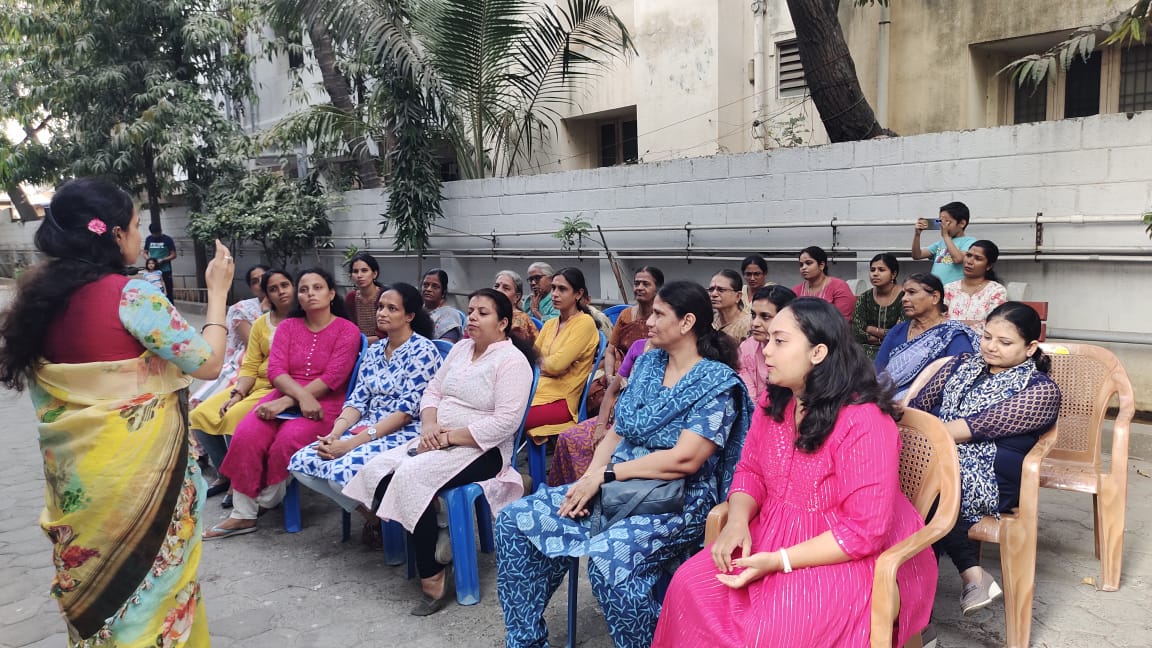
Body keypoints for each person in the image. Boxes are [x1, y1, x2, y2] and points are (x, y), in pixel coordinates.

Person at [0, 178, 235, 645]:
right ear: (113, 234)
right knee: (155, 594)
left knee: (100, 594)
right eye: (134, 225)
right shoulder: (132, 297)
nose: (138, 236)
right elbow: (208, 363)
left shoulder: (38, 300)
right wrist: (217, 293)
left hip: (79, 485)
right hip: (141, 483)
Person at [652, 298, 937, 648]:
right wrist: (737, 522)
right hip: (770, 532)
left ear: (818, 353)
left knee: (766, 634)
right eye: (768, 339)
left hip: (842, 553)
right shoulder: (776, 400)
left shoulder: (864, 421)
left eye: (780, 341)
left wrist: (779, 561)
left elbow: (864, 531)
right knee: (687, 586)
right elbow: (751, 470)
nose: (766, 350)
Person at [497, 281, 752, 648]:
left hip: (676, 500)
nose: (649, 322)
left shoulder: (717, 383)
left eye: (659, 314)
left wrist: (606, 475)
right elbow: (618, 432)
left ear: (687, 322)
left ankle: (649, 641)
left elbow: (685, 459)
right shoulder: (648, 364)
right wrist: (588, 479)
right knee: (515, 521)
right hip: (615, 486)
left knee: (609, 560)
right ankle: (525, 640)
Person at [342, 288, 536, 616]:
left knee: (411, 476)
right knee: (379, 471)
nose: (472, 317)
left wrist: (449, 438)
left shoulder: (512, 361)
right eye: (470, 311)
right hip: (437, 438)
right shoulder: (460, 348)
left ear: (503, 323)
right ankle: (440, 533)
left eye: (483, 313)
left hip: (482, 448)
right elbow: (432, 391)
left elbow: (505, 422)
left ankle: (432, 571)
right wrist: (430, 425)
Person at [908, 302, 1061, 615]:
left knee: (926, 491)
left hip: (993, 475)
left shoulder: (1040, 390)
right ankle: (967, 580)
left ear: (1030, 347)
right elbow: (918, 409)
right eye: (987, 337)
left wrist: (924, 439)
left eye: (1004, 342)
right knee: (914, 487)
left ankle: (916, 614)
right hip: (939, 457)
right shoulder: (960, 365)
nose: (991, 347)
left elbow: (973, 428)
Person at [207, 269, 362, 539]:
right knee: (247, 434)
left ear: (331, 293)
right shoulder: (288, 327)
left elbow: (333, 377)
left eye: (317, 287)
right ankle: (242, 515)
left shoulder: (347, 330)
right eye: (304, 289)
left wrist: (287, 402)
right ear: (298, 297)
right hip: (283, 394)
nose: (310, 293)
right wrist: (295, 398)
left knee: (288, 440)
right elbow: (275, 370)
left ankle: (261, 503)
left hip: (326, 401)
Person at [288, 282, 442, 544]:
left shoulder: (423, 351)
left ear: (409, 316)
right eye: (380, 307)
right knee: (302, 462)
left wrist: (350, 444)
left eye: (392, 308)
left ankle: (391, 522)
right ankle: (376, 518)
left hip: (405, 430)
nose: (382, 313)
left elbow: (405, 413)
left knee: (341, 474)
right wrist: (334, 435)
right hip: (369, 425)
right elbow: (358, 400)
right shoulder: (374, 351)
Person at [190, 269, 296, 500]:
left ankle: (238, 483)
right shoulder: (260, 324)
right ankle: (225, 473)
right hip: (254, 383)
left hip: (280, 387)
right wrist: (238, 392)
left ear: (293, 286)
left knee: (232, 418)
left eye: (285, 285)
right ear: (266, 295)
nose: (280, 292)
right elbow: (250, 364)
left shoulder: (302, 320)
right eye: (273, 289)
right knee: (199, 415)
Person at [547, 337, 649, 487]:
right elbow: (612, 391)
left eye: (658, 319)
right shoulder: (639, 346)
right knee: (568, 437)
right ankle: (569, 490)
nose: (650, 325)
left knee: (603, 448)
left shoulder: (673, 363)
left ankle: (593, 490)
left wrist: (614, 432)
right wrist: (600, 427)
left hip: (633, 427)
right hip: (614, 416)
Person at [524, 267, 600, 440]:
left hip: (561, 401)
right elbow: (531, 360)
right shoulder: (550, 324)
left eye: (562, 289)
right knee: (494, 410)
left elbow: (556, 365)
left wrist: (548, 365)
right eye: (553, 288)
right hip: (535, 392)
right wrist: (549, 365)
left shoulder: (585, 323)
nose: (555, 294)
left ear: (578, 294)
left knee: (509, 418)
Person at [875, 273, 977, 400]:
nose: (904, 299)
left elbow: (957, 381)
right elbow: (878, 371)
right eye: (904, 294)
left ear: (935, 297)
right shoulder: (897, 331)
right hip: (886, 401)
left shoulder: (953, 335)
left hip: (928, 405)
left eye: (911, 292)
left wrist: (909, 401)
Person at [584, 266, 664, 418]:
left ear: (658, 289)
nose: (639, 288)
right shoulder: (626, 315)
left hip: (647, 378)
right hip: (620, 373)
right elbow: (610, 350)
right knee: (592, 394)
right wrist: (609, 376)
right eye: (637, 283)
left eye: (646, 284)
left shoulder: (664, 319)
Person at [189, 263, 269, 406]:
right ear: (251, 288)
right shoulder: (243, 309)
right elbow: (254, 347)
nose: (260, 283)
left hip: (281, 365)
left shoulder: (289, 307)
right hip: (249, 362)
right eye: (254, 282)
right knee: (207, 406)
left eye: (263, 278)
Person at [737, 285, 796, 402]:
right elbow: (749, 397)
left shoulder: (799, 351)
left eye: (765, 317)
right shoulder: (746, 347)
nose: (755, 323)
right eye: (753, 315)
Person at [851, 253, 906, 360]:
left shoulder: (905, 297)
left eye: (881, 270)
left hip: (896, 351)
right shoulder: (865, 297)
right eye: (872, 270)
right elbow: (857, 332)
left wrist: (870, 329)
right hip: (864, 352)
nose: (875, 274)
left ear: (893, 274)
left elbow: (900, 333)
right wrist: (884, 335)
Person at [944, 239, 1007, 328]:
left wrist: (955, 324)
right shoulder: (949, 288)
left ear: (989, 266)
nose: (969, 262)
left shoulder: (996, 291)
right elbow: (940, 321)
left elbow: (994, 324)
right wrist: (971, 323)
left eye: (978, 258)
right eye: (968, 255)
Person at [912, 201, 976, 285]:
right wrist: (917, 235)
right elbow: (917, 255)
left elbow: (958, 259)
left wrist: (946, 236)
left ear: (962, 223)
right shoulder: (940, 243)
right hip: (936, 288)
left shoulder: (969, 242)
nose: (943, 226)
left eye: (947, 222)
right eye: (941, 221)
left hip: (953, 290)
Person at [791, 246, 855, 320]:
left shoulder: (839, 287)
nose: (803, 268)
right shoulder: (795, 291)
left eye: (808, 263)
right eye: (801, 265)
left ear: (821, 265)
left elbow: (842, 319)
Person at [343, 252, 383, 344]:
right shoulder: (351, 298)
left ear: (374, 274)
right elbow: (348, 327)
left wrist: (360, 341)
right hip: (357, 347)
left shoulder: (384, 296)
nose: (359, 275)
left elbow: (389, 332)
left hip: (384, 346)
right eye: (355, 271)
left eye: (364, 270)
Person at [421, 268, 465, 342]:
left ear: (443, 291)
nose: (428, 289)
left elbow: (446, 347)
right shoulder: (415, 310)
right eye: (426, 285)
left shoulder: (450, 315)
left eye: (435, 286)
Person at [493, 269, 537, 343]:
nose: (498, 290)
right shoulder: (487, 314)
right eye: (496, 286)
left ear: (516, 297)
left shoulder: (520, 320)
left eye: (506, 288)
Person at [710, 269, 752, 342]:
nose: (713, 294)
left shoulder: (748, 324)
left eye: (721, 290)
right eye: (711, 289)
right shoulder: (710, 321)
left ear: (738, 296)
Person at [144, 222, 177, 298]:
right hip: (153, 271)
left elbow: (173, 255)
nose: (156, 235)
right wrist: (150, 260)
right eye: (154, 234)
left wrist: (163, 260)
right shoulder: (149, 239)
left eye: (157, 233)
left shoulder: (167, 239)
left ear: (160, 231)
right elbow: (145, 253)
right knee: (153, 292)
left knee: (168, 292)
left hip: (165, 270)